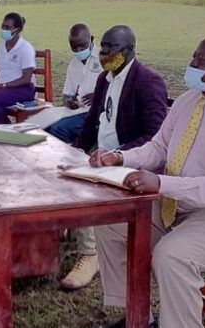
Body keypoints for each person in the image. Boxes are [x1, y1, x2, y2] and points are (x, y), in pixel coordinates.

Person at [91, 33, 205, 328]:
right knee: (110, 220)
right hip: (179, 205)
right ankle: (139, 318)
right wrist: (120, 158)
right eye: (193, 56)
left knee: (171, 256)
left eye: (201, 60)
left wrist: (162, 184)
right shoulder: (190, 100)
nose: (192, 63)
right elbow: (159, 148)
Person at [59, 25, 168, 290]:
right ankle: (67, 234)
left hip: (131, 160)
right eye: (103, 47)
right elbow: (92, 121)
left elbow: (156, 135)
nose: (105, 53)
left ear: (130, 51)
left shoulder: (147, 82)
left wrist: (119, 156)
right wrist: (77, 149)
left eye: (112, 48)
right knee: (62, 169)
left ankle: (90, 253)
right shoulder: (104, 78)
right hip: (103, 154)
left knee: (84, 189)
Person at [45, 23, 103, 144]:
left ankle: (69, 158)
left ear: (91, 39)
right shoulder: (73, 64)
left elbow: (115, 90)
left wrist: (97, 96)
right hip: (77, 111)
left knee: (58, 129)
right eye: (74, 47)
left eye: (82, 46)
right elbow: (66, 94)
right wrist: (69, 102)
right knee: (44, 125)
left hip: (97, 113)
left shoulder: (103, 59)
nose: (79, 50)